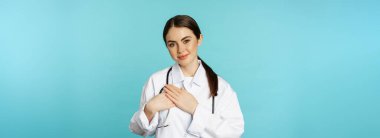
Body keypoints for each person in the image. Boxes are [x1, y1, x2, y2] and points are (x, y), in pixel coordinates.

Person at [129, 15, 244, 138]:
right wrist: (149, 109)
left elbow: (234, 132)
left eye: (186, 41)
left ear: (199, 39)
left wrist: (195, 109)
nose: (180, 49)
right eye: (172, 44)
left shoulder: (221, 87)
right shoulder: (156, 81)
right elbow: (137, 129)